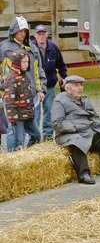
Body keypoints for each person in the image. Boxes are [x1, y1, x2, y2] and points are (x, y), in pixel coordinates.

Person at [51, 75, 100, 185]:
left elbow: (95, 116)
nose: (80, 88)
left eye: (81, 85)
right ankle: (84, 175)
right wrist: (77, 127)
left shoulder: (85, 98)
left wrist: (98, 125)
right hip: (69, 134)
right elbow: (57, 123)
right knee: (78, 142)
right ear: (68, 89)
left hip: (88, 131)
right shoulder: (59, 101)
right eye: (76, 85)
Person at [0, 16, 46, 150]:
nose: (23, 33)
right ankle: (12, 160)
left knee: (34, 131)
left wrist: (41, 89)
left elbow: (39, 71)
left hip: (32, 97)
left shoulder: (32, 47)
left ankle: (29, 158)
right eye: (20, 30)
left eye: (25, 31)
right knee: (13, 131)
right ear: (13, 30)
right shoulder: (4, 47)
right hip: (12, 97)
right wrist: (3, 89)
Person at [32, 25, 68, 141]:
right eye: (39, 34)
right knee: (35, 114)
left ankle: (48, 136)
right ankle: (35, 137)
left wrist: (64, 78)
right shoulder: (30, 48)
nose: (41, 36)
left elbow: (61, 64)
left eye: (43, 34)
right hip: (35, 88)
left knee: (49, 112)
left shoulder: (54, 48)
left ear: (47, 34)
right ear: (35, 35)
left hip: (50, 86)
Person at [2, 50, 40, 151]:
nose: (26, 64)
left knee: (36, 136)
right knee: (18, 142)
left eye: (27, 62)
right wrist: (13, 118)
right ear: (17, 62)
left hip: (29, 115)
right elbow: (9, 101)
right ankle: (15, 159)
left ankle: (28, 154)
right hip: (18, 117)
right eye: (23, 62)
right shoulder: (11, 79)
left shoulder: (24, 76)